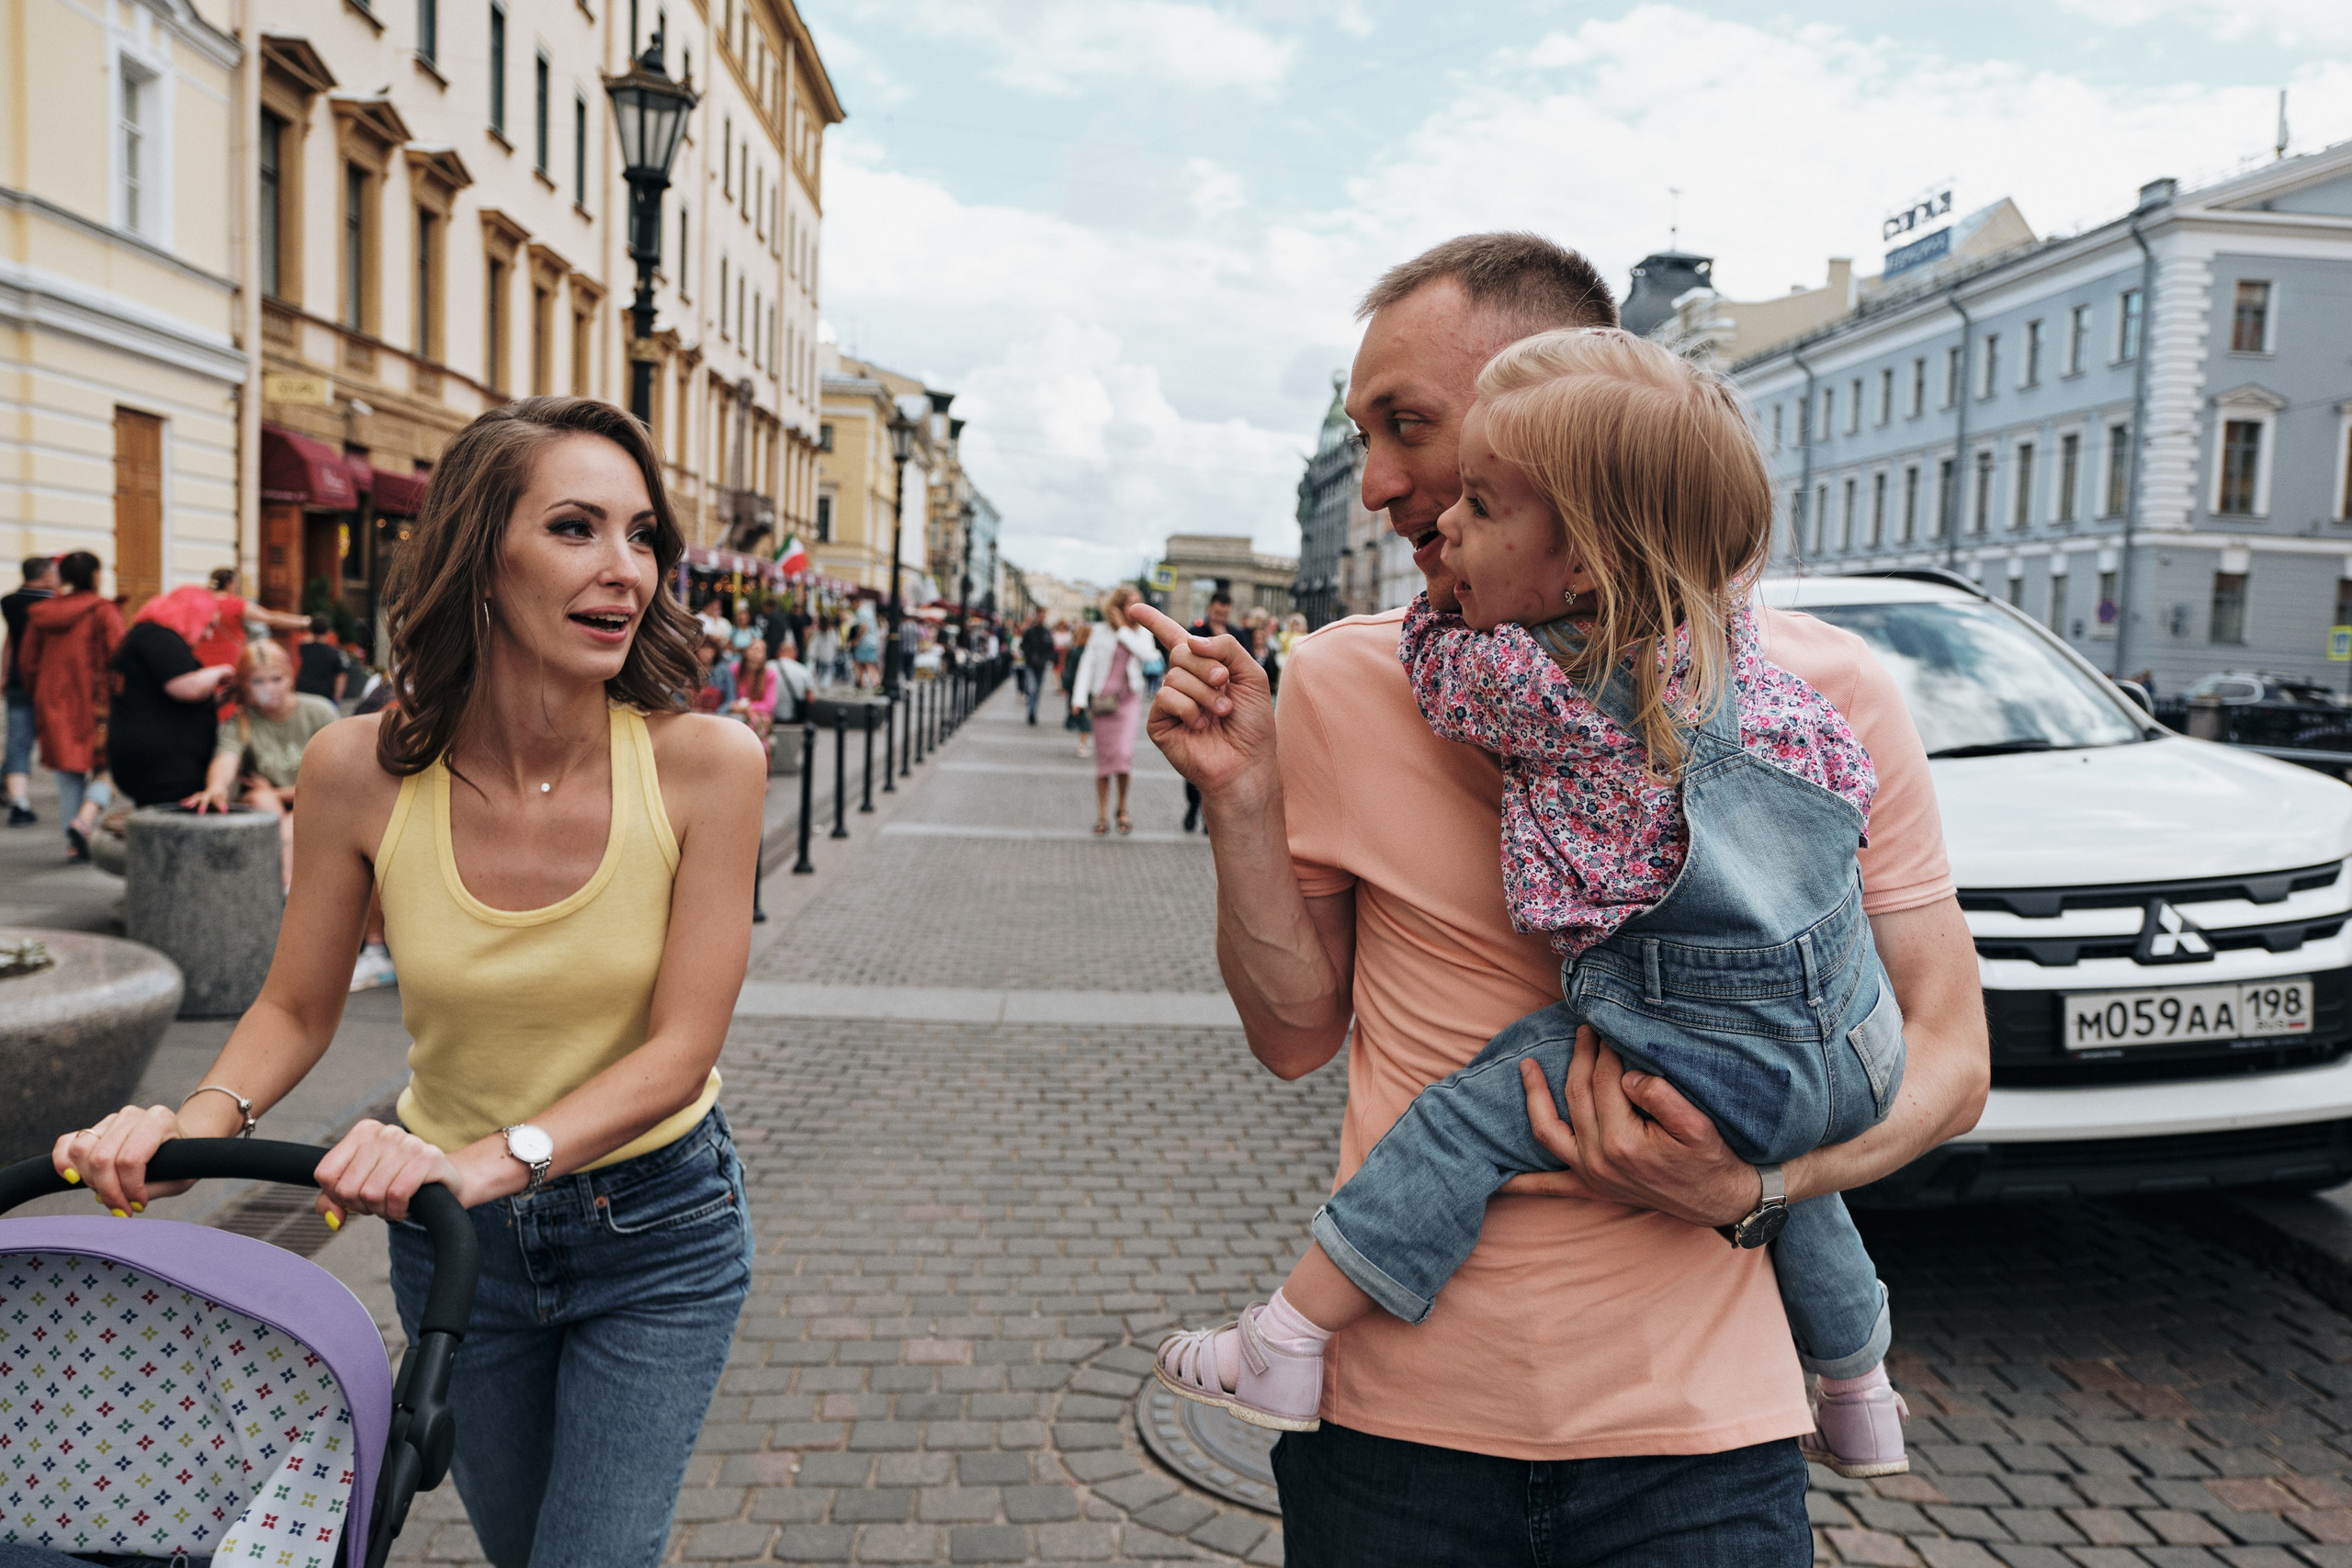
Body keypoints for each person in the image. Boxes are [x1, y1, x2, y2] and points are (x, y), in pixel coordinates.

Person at [1135, 232, 1986, 1564]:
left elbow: (1950, 1051)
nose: (1378, 486)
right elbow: (1296, 1032)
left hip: (1701, 1447)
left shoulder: (1822, 697)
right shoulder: (1357, 681)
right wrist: (1240, 800)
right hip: (1398, 1428)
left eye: (1411, 430)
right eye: (1365, 436)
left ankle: (1850, 1369)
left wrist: (1759, 1180)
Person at [52, 394, 765, 1567]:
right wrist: (186, 1129)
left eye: (643, 537)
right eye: (578, 528)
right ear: (482, 556)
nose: (625, 571)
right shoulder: (358, 767)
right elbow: (293, 1008)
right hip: (456, 1253)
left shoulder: (705, 767)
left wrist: (488, 1160)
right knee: (519, 1546)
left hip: (654, 1227)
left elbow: (679, 1048)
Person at [187, 637, 338, 888]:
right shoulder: (242, 720)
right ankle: (281, 891)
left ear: (291, 676)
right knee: (262, 801)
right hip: (274, 806)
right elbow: (226, 759)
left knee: (289, 821)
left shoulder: (318, 711)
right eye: (258, 681)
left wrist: (276, 792)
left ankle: (288, 892)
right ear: (245, 685)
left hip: (317, 801)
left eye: (276, 679)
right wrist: (216, 788)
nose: (269, 688)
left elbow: (336, 778)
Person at [17, 551, 123, 861]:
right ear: (94, 576)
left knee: (66, 773)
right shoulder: (102, 611)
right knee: (111, 767)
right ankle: (86, 817)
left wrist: (41, 692)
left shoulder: (42, 614)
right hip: (98, 705)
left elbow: (27, 662)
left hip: (54, 701)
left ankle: (75, 843)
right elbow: (120, 654)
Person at [110, 584, 235, 808]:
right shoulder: (159, 638)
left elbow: (178, 706)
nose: (208, 635)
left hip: (159, 767)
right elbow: (187, 688)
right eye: (208, 625)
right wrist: (222, 671)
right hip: (162, 772)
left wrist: (224, 697)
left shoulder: (149, 636)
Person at [1070, 587, 1154, 836]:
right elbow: (1088, 665)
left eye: (1138, 603)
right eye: (1130, 604)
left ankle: (1122, 807)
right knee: (1104, 762)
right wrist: (1078, 698)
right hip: (1103, 701)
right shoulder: (1099, 632)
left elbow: (1147, 655)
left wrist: (1124, 630)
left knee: (1124, 757)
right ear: (1116, 607)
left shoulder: (1141, 633)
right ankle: (1103, 815)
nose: (1134, 609)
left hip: (1129, 702)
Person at [4, 554, 57, 826]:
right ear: (45, 575)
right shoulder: (53, 605)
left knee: (18, 741)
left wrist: (4, 673)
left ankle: (19, 802)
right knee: (61, 737)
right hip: (48, 682)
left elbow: (11, 642)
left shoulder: (9, 603)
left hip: (16, 681)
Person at [1179, 591, 1233, 833]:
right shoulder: (1196, 632)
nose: (1221, 616)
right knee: (1194, 764)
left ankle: (1206, 814)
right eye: (1218, 611)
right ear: (1210, 608)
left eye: (1225, 612)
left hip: (1224, 709)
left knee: (1217, 767)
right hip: (1197, 705)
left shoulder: (1236, 635)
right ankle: (1192, 806)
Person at [195, 565, 310, 674]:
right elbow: (271, 618)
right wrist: (304, 621)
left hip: (200, 657)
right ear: (229, 584)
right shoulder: (234, 603)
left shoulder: (200, 601)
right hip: (228, 658)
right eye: (236, 584)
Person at [730, 636, 782, 745]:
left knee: (756, 723)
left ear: (764, 655)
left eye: (759, 650)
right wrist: (736, 706)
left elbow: (769, 704)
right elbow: (729, 695)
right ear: (746, 652)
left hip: (757, 714)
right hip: (735, 711)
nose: (755, 653)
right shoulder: (734, 669)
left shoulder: (769, 674)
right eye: (753, 649)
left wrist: (749, 707)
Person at [296, 615, 349, 703]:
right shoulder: (335, 654)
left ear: (310, 630)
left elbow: (305, 640)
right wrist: (336, 698)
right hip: (324, 696)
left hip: (303, 693)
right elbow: (341, 678)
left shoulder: (303, 648)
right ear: (328, 631)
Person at [1061, 620, 1093, 756]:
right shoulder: (1088, 653)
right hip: (1087, 689)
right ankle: (1082, 744)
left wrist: (1065, 686)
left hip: (1075, 687)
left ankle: (1082, 742)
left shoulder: (1074, 651)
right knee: (1085, 716)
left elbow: (1068, 671)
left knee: (1081, 715)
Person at [1019, 609, 1055, 725]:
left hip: (1042, 665)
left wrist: (1047, 658)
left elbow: (1050, 647)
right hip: (1030, 664)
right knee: (1033, 689)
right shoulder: (1030, 631)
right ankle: (1031, 712)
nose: (1041, 618)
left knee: (1037, 691)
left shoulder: (1047, 632)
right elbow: (1023, 645)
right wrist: (1029, 656)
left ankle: (1033, 711)